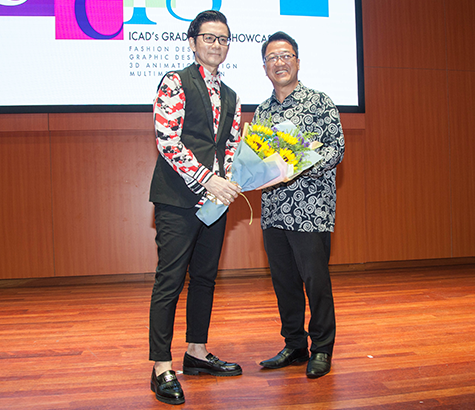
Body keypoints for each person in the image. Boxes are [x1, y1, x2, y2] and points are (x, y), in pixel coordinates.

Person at [147, 10, 243, 405]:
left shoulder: (233, 95)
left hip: (214, 202)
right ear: (192, 41)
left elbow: (233, 145)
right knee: (169, 281)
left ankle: (197, 353)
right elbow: (167, 140)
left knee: (204, 279)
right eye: (209, 37)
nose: (216, 45)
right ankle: (161, 367)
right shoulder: (176, 81)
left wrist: (232, 178)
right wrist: (208, 179)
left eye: (223, 39)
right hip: (177, 198)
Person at [254, 31, 345, 379]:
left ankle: (322, 348)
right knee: (284, 283)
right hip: (273, 211)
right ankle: (295, 344)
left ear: (297, 61)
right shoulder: (262, 111)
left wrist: (292, 162)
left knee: (315, 282)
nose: (280, 62)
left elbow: (334, 150)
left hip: (311, 210)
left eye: (286, 55)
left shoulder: (320, 102)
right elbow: (259, 161)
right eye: (273, 57)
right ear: (265, 67)